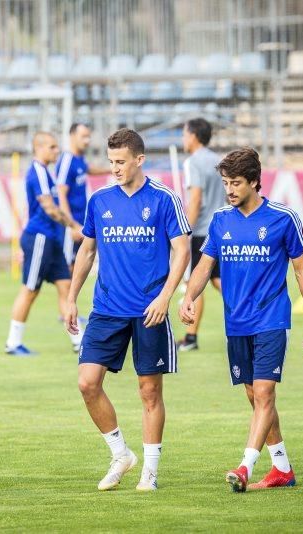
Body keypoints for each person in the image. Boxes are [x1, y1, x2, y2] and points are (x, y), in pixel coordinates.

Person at [180, 147, 303, 492]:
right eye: (226, 183)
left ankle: (245, 465)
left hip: (271, 319)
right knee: (255, 396)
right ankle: (282, 469)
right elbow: (203, 265)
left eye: (236, 183)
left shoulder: (282, 218)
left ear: (255, 182)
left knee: (263, 393)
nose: (229, 190)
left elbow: (302, 271)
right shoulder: (220, 220)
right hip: (237, 323)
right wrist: (188, 296)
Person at [66, 128, 191, 492]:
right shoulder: (100, 199)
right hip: (106, 308)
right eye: (110, 162)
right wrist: (72, 297)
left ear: (139, 160)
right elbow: (87, 251)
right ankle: (120, 453)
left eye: (121, 162)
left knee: (149, 392)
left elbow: (182, 250)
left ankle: (149, 472)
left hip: (149, 309)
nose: (115, 168)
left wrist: (166, 296)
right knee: (87, 383)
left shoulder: (165, 199)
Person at [5, 132, 84, 355]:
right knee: (30, 289)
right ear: (38, 148)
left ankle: (80, 341)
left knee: (66, 287)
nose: (56, 151)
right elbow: (49, 208)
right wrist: (73, 226)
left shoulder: (46, 173)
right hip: (39, 238)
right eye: (52, 147)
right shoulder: (38, 172)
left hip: (52, 240)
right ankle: (13, 342)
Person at [177, 118, 224, 351]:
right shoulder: (218, 161)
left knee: (194, 282)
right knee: (219, 281)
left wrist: (186, 230)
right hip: (219, 229)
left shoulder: (193, 162)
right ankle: (248, 319)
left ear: (194, 135)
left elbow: (195, 198)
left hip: (201, 230)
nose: (183, 139)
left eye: (185, 134)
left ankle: (191, 337)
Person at [55, 122, 109, 270]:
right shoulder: (67, 160)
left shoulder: (79, 159)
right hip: (71, 225)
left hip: (80, 223)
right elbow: (61, 194)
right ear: (72, 136)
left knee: (78, 266)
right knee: (68, 271)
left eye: (89, 137)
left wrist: (111, 170)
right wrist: (71, 225)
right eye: (83, 136)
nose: (87, 141)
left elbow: (89, 169)